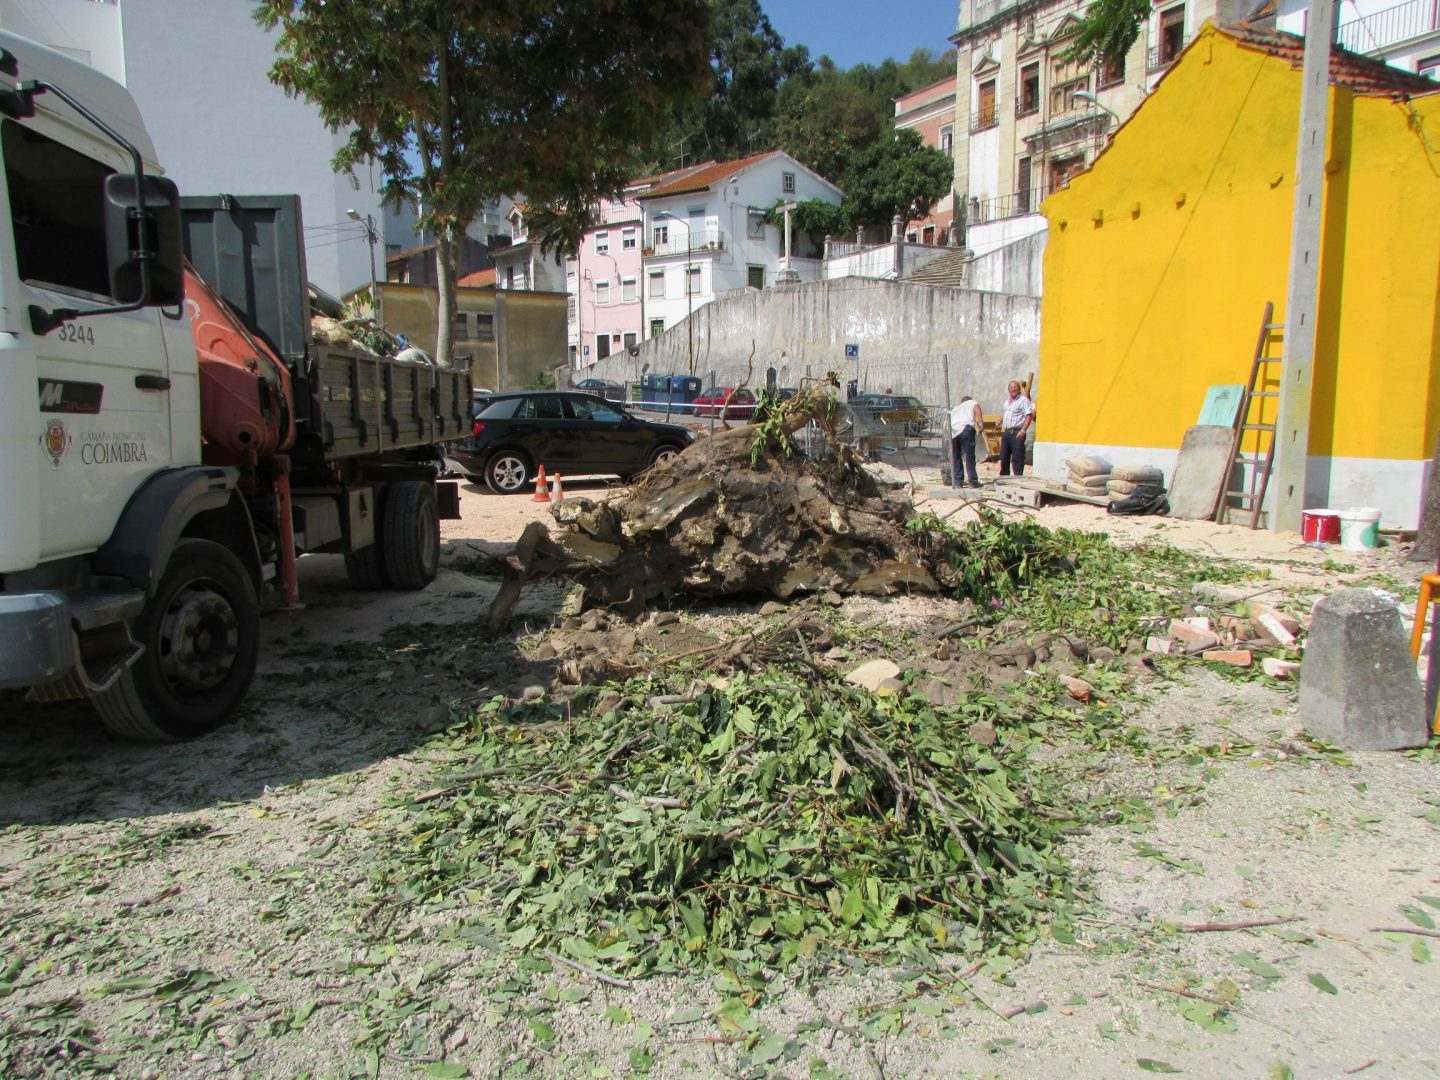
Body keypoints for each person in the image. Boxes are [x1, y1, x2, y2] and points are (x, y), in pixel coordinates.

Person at [999, 380, 1035, 477]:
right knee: (1004, 457)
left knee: (1017, 458)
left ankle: (1018, 479)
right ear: (1008, 390)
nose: (1013, 389)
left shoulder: (1023, 400)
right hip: (1006, 433)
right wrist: (1000, 420)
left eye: (1015, 387)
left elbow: (1029, 416)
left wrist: (1023, 431)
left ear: (1019, 389)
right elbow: (1007, 413)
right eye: (1011, 387)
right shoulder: (1007, 401)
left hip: (1017, 433)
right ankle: (1004, 479)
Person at [948, 395, 983, 488]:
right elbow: (977, 408)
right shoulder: (971, 402)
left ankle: (958, 482)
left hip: (953, 431)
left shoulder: (956, 408)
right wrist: (980, 422)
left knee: (956, 456)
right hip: (965, 429)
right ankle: (973, 482)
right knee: (969, 455)